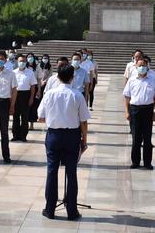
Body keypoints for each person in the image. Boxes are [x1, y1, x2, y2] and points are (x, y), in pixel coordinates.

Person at [38, 63, 90, 221]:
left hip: (54, 135)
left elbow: (41, 116)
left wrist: (55, 117)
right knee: (71, 173)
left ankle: (50, 209)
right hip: (72, 136)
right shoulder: (77, 95)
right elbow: (84, 121)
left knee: (52, 171)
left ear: (58, 77)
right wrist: (84, 141)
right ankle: (72, 210)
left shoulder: (50, 94)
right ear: (72, 77)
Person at [123, 57, 155, 169]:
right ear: (136, 67)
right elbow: (127, 97)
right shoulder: (132, 80)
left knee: (147, 138)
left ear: (147, 66)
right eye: (140, 65)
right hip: (135, 110)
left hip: (148, 110)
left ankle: (147, 162)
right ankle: (135, 161)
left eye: (144, 65)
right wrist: (127, 112)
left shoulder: (152, 79)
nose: (142, 67)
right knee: (136, 137)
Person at [11, 54, 37, 142]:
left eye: (23, 61)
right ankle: (15, 135)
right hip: (16, 95)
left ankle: (23, 135)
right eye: (20, 61)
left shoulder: (30, 72)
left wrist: (31, 98)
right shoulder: (13, 72)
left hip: (26, 95)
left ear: (26, 62)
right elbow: (11, 86)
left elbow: (33, 86)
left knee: (24, 117)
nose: (21, 63)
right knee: (15, 116)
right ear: (17, 62)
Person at [27, 53, 42, 131]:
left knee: (33, 106)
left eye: (31, 57)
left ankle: (31, 123)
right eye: (28, 57)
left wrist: (39, 90)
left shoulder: (37, 67)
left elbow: (39, 80)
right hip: (26, 88)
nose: (30, 58)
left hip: (35, 88)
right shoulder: (25, 67)